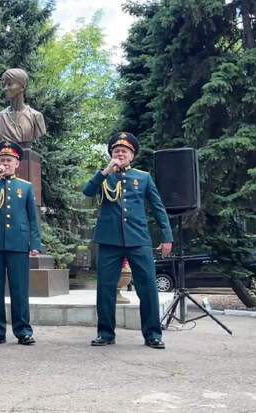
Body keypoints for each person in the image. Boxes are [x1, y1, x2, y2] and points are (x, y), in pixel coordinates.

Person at [82, 132, 173, 349]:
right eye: (116, 151)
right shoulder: (103, 176)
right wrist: (105, 171)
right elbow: (88, 192)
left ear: (132, 156)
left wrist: (167, 236)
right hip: (109, 240)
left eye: (124, 151)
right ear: (111, 155)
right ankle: (105, 333)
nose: (120, 153)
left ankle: (152, 334)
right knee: (105, 288)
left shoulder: (143, 177)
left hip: (138, 239)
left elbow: (158, 208)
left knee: (148, 287)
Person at [0, 140, 41, 346]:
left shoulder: (26, 187)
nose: (5, 163)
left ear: (17, 163)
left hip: (18, 243)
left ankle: (23, 331)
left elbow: (33, 217)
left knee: (19, 289)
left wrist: (35, 244)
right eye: (2, 160)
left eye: (9, 160)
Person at [0, 68, 46, 145]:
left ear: (22, 87)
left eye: (9, 84)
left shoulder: (36, 117)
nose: (5, 88)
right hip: (4, 154)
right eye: (4, 85)